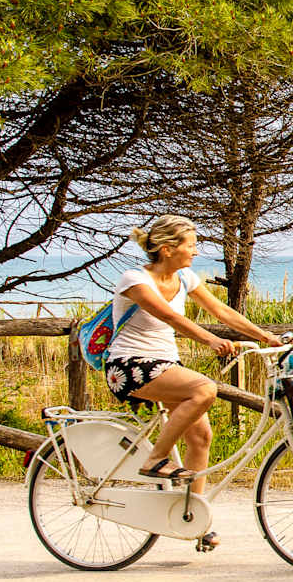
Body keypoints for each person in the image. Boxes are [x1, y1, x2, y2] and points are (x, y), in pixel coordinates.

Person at [106, 215, 281, 548]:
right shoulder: (134, 279)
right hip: (128, 366)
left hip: (165, 365)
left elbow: (222, 312)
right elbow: (169, 316)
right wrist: (210, 342)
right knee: (204, 389)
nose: (196, 252)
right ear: (168, 248)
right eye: (191, 245)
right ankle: (156, 458)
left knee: (200, 436)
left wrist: (265, 336)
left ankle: (193, 521)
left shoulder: (184, 277)